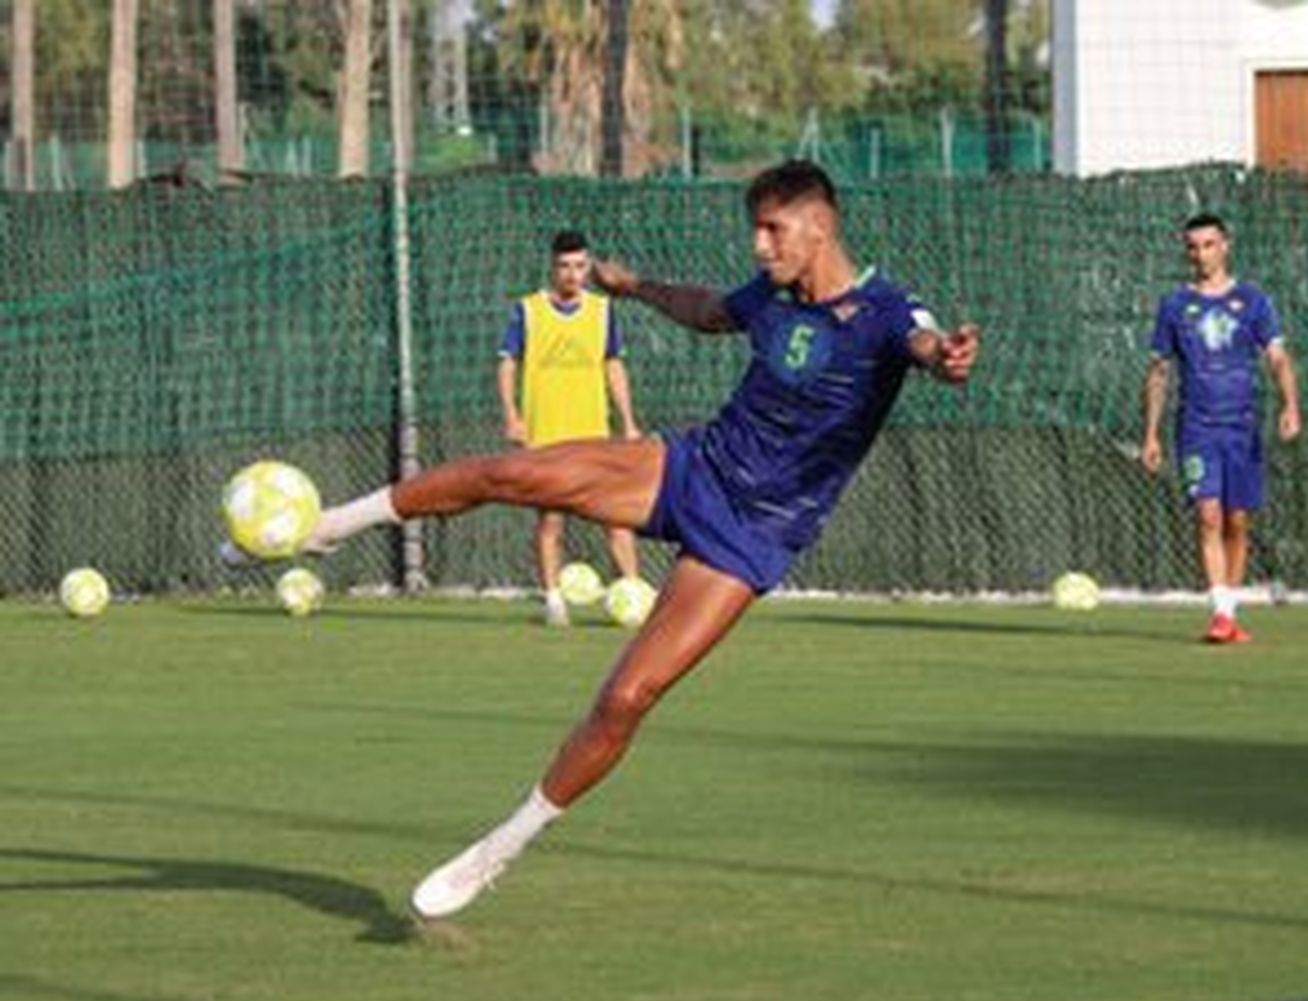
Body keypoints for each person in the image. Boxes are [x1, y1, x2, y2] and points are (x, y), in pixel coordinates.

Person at [302, 160, 979, 919]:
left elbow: (927, 347)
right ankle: (330, 526)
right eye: (754, 229)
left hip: (753, 535)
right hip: (690, 468)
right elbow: (711, 310)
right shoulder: (771, 296)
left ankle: (500, 847)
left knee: (626, 697)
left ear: (819, 226)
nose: (759, 245)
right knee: (511, 472)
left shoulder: (887, 310)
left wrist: (946, 358)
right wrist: (635, 287)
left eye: (772, 228)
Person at [1140, 212, 1301, 644]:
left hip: (1242, 428)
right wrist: (1151, 434)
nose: (1200, 254)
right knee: (1208, 516)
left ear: (1225, 246)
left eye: (1208, 244)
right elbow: (1158, 372)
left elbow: (1278, 357)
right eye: (1192, 247)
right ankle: (1220, 613)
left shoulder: (1253, 301)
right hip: (1196, 427)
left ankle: (1229, 612)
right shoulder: (1174, 306)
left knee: (1237, 520)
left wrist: (1290, 405)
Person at [497, 229, 642, 626]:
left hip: (594, 434)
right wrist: (512, 415)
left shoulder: (602, 310)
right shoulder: (528, 310)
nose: (572, 274)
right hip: (546, 436)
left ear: (589, 266)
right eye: (564, 266)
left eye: (580, 266)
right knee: (551, 520)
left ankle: (632, 591)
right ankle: (553, 600)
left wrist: (628, 422)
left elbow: (613, 365)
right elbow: (508, 363)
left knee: (617, 515)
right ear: (552, 266)